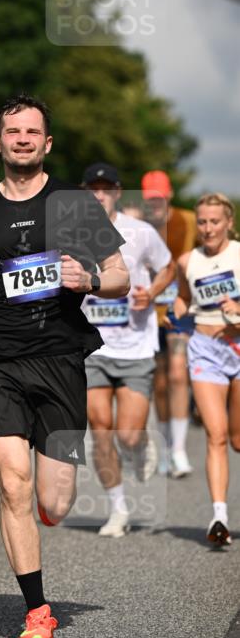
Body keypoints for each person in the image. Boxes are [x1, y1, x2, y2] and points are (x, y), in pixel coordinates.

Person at [0, 94, 129, 638]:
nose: (22, 139)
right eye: (12, 131)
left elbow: (122, 278)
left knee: (55, 501)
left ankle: (45, 514)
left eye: (32, 132)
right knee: (11, 481)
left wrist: (89, 281)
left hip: (61, 361)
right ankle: (37, 611)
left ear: (46, 143)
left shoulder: (74, 205)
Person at [81, 163, 174, 537]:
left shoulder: (141, 232)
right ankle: (118, 509)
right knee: (101, 429)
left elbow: (168, 268)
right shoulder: (70, 233)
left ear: (118, 193)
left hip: (135, 348)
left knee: (128, 435)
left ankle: (142, 442)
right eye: (92, 189)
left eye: (106, 189)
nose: (99, 194)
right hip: (92, 349)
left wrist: (150, 293)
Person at [173, 193, 240, 547]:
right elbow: (183, 296)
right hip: (205, 348)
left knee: (237, 439)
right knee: (215, 435)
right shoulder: (188, 260)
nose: (208, 228)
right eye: (202, 222)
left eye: (215, 221)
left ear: (229, 222)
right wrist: (177, 310)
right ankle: (219, 516)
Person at [142, 170, 197, 477]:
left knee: (178, 374)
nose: (155, 204)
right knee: (159, 383)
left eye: (160, 198)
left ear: (170, 194)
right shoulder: (138, 226)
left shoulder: (189, 221)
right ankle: (164, 449)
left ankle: (179, 450)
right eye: (151, 199)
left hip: (182, 311)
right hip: (148, 314)